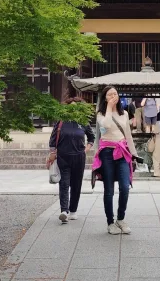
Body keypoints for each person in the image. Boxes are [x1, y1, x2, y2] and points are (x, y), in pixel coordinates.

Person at [91, 87, 138, 234]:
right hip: (107, 153)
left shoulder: (124, 113)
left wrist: (134, 154)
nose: (113, 96)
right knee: (109, 190)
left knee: (125, 187)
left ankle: (121, 218)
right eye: (110, 94)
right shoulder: (101, 114)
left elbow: (128, 135)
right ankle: (110, 222)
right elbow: (106, 126)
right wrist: (110, 108)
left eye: (115, 94)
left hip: (123, 152)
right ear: (105, 98)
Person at [47, 112, 95, 223]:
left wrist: (86, 149)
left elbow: (91, 137)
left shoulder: (83, 122)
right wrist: (52, 153)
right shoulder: (61, 122)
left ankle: (73, 210)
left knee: (76, 184)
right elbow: (53, 140)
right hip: (63, 157)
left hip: (79, 157)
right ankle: (64, 211)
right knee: (64, 183)